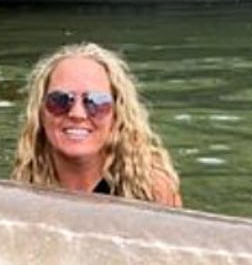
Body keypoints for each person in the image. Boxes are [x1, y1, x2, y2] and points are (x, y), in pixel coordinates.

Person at [10, 42, 182, 206]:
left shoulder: (151, 189)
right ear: (40, 112)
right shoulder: (24, 187)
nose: (77, 114)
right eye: (60, 100)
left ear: (118, 114)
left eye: (96, 102)